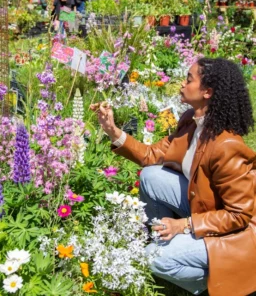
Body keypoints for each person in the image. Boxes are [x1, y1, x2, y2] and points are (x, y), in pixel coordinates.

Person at [90, 57, 256, 296]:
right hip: (205, 207)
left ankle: (214, 282)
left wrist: (184, 225)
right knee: (150, 176)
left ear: (207, 92)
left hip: (233, 233)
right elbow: (151, 155)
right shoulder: (192, 121)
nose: (181, 84)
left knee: (153, 259)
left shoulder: (227, 145)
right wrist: (113, 131)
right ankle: (164, 239)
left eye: (189, 80)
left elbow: (239, 216)